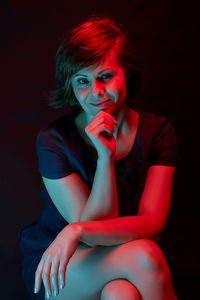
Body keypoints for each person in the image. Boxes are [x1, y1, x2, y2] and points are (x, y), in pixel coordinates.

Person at [18, 16, 178, 300]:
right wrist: (105, 159)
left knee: (121, 294)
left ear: (126, 72)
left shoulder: (158, 131)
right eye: (82, 81)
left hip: (115, 253)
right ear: (71, 85)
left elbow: (152, 225)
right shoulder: (53, 140)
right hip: (61, 265)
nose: (96, 92)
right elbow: (93, 236)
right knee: (144, 255)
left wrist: (76, 229)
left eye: (105, 76)